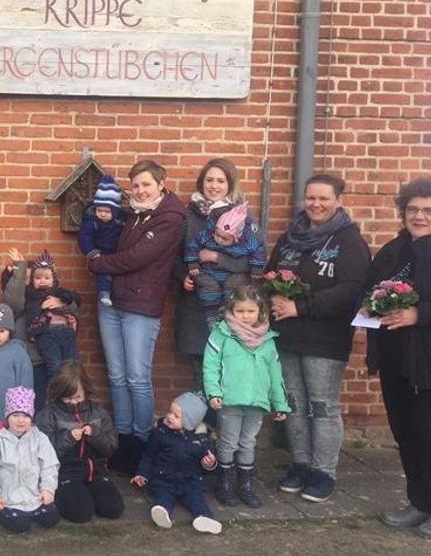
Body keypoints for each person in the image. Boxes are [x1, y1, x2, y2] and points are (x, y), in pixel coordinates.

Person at [266, 174, 370, 503]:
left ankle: (323, 471)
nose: (316, 204)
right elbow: (271, 274)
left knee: (322, 406)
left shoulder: (349, 241)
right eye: (311, 198)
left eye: (324, 198)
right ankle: (301, 464)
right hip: (287, 336)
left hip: (325, 340)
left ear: (338, 201)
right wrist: (272, 299)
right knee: (294, 404)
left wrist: (300, 306)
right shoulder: (290, 238)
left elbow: (351, 291)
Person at [87, 160, 187, 474]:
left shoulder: (169, 218)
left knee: (137, 378)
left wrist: (98, 263)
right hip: (111, 303)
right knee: (116, 376)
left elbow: (138, 258)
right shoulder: (129, 214)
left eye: (146, 184)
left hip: (141, 307)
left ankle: (143, 443)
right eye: (136, 185)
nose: (140, 191)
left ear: (161, 183)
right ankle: (123, 439)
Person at [364, 177, 431, 536]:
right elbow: (371, 290)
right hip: (395, 358)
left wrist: (419, 314)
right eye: (412, 210)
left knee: (428, 434)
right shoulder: (393, 250)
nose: (419, 216)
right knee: (405, 433)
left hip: (427, 362)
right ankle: (419, 503)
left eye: (427, 211)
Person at [203, 285, 290, 508]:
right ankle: (224, 484)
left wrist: (280, 403)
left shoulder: (267, 339)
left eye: (250, 311)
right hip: (230, 400)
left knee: (248, 443)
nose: (245, 316)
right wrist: (214, 392)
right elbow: (210, 366)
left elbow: (275, 373)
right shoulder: (221, 333)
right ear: (231, 310)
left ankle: (245, 486)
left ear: (260, 312)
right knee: (229, 442)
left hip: (256, 401)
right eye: (240, 311)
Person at [173, 158, 257, 391]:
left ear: (230, 184)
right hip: (196, 307)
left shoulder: (242, 217)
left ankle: (225, 426)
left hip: (232, 307)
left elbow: (253, 259)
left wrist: (217, 258)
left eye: (221, 180)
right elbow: (173, 255)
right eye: (209, 180)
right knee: (201, 374)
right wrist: (183, 276)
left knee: (228, 374)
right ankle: (205, 425)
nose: (214, 185)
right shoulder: (188, 216)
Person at [35, 360, 124, 523]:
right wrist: (68, 438)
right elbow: (44, 451)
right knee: (81, 513)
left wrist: (95, 434)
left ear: (85, 390)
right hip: (65, 473)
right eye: (67, 398)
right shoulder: (48, 414)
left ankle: (91, 493)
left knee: (113, 509)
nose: (73, 402)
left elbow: (111, 447)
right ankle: (64, 496)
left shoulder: (98, 411)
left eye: (77, 397)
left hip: (96, 472)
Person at [131, 392, 221, 535]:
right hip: (164, 479)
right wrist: (142, 473)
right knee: (163, 495)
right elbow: (149, 455)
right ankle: (162, 512)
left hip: (190, 480)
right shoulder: (160, 433)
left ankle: (204, 517)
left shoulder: (202, 438)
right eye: (170, 412)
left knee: (196, 498)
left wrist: (209, 463)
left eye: (176, 416)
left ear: (190, 422)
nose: (169, 417)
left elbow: (208, 462)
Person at [0, 386, 60, 534]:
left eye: (25, 416)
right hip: (8, 496)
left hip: (33, 495)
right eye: (15, 415)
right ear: (7, 417)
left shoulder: (40, 439)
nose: (20, 421)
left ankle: (29, 512)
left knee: (51, 518)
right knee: (19, 525)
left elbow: (49, 465)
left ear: (31, 417)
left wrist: (48, 489)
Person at [184, 193, 265, 328]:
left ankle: (229, 314)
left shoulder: (246, 243)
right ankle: (212, 317)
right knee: (208, 287)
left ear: (236, 237)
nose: (220, 240)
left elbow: (258, 251)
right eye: (218, 235)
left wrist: (257, 269)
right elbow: (192, 245)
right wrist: (192, 263)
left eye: (225, 239)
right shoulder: (207, 236)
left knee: (234, 286)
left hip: (232, 274)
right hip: (208, 272)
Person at [0, 248, 60, 403]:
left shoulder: (53, 295)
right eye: (21, 279)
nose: (26, 283)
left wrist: (62, 302)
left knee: (42, 403)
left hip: (44, 360)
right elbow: (14, 300)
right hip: (24, 359)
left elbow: (72, 308)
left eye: (28, 278)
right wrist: (18, 270)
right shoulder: (19, 304)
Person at [78, 173, 124, 307]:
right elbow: (84, 237)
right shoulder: (92, 222)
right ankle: (104, 293)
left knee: (116, 275)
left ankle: (115, 294)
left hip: (116, 252)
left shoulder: (119, 221)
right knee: (103, 274)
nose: (102, 214)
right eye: (99, 210)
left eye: (107, 211)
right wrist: (91, 252)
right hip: (100, 252)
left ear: (115, 212)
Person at [28, 285, 81, 379]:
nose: (42, 281)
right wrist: (41, 305)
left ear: (53, 280)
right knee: (55, 366)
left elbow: (76, 300)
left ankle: (72, 389)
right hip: (47, 335)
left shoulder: (59, 292)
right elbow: (31, 314)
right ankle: (58, 390)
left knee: (73, 364)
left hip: (66, 331)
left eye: (47, 278)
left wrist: (61, 301)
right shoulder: (32, 295)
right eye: (38, 278)